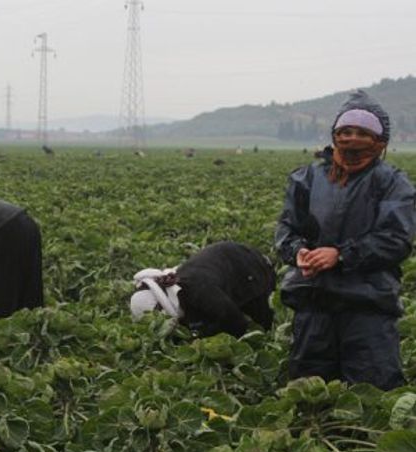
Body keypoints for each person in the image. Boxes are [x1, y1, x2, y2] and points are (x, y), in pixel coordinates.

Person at [275, 90, 416, 391]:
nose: (352, 139)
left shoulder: (391, 182)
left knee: (373, 398)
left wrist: (340, 255)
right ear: (335, 135)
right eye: (346, 131)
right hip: (314, 303)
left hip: (368, 307)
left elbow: (396, 239)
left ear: (380, 141)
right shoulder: (308, 179)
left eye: (363, 133)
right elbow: (287, 229)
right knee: (310, 397)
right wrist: (298, 252)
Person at [129, 241, 275, 337]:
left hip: (250, 268)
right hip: (225, 266)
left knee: (264, 326)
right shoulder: (183, 294)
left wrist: (200, 337)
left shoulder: (198, 290)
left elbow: (236, 323)